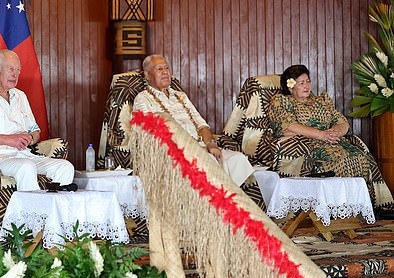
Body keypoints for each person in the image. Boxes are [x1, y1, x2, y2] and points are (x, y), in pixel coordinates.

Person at [267, 64, 392, 208]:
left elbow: (342, 122)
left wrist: (335, 132)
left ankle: (360, 208)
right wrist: (321, 135)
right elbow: (288, 126)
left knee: (360, 158)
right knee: (339, 160)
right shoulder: (282, 101)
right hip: (309, 144)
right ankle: (334, 209)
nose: (306, 85)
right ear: (290, 87)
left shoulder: (321, 101)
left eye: (308, 81)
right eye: (301, 83)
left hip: (332, 140)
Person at [0, 49, 74, 191]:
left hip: (24, 154)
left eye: (18, 70)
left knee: (65, 167)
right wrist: (9, 140)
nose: (15, 74)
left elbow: (35, 131)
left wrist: (29, 139)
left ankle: (52, 211)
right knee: (26, 167)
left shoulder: (21, 96)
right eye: (11, 69)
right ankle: (31, 213)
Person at [133, 54, 254, 187]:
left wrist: (211, 144)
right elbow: (152, 135)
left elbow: (202, 125)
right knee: (210, 161)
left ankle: (247, 205)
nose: (165, 72)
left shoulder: (180, 96)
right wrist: (191, 149)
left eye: (166, 68)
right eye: (159, 69)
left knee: (238, 159)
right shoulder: (142, 99)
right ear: (147, 75)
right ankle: (220, 205)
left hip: (201, 147)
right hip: (174, 154)